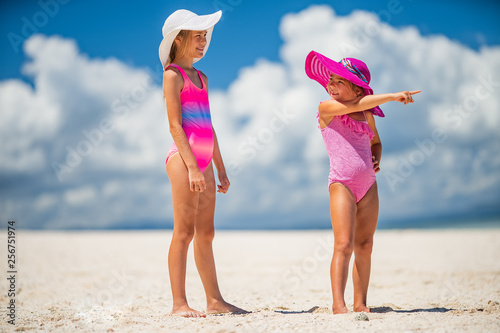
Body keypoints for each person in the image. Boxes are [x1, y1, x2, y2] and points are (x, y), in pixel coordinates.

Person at [305, 51, 420, 314]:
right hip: (342, 184)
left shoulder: (366, 113)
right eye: (331, 80)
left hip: (368, 184)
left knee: (365, 245)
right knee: (343, 244)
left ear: (357, 88)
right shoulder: (326, 108)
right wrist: (393, 96)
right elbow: (355, 106)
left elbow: (376, 142)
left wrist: (376, 158)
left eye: (339, 81)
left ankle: (360, 303)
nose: (331, 85)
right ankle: (338, 304)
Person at [159, 9, 247, 317]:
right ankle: (179, 304)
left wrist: (219, 168)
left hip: (205, 162)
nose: (203, 41)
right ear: (179, 39)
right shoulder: (173, 75)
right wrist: (193, 167)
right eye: (198, 36)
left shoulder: (203, 78)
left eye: (205, 36)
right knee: (184, 232)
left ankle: (214, 301)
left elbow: (208, 126)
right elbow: (175, 126)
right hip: (184, 161)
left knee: (206, 233)